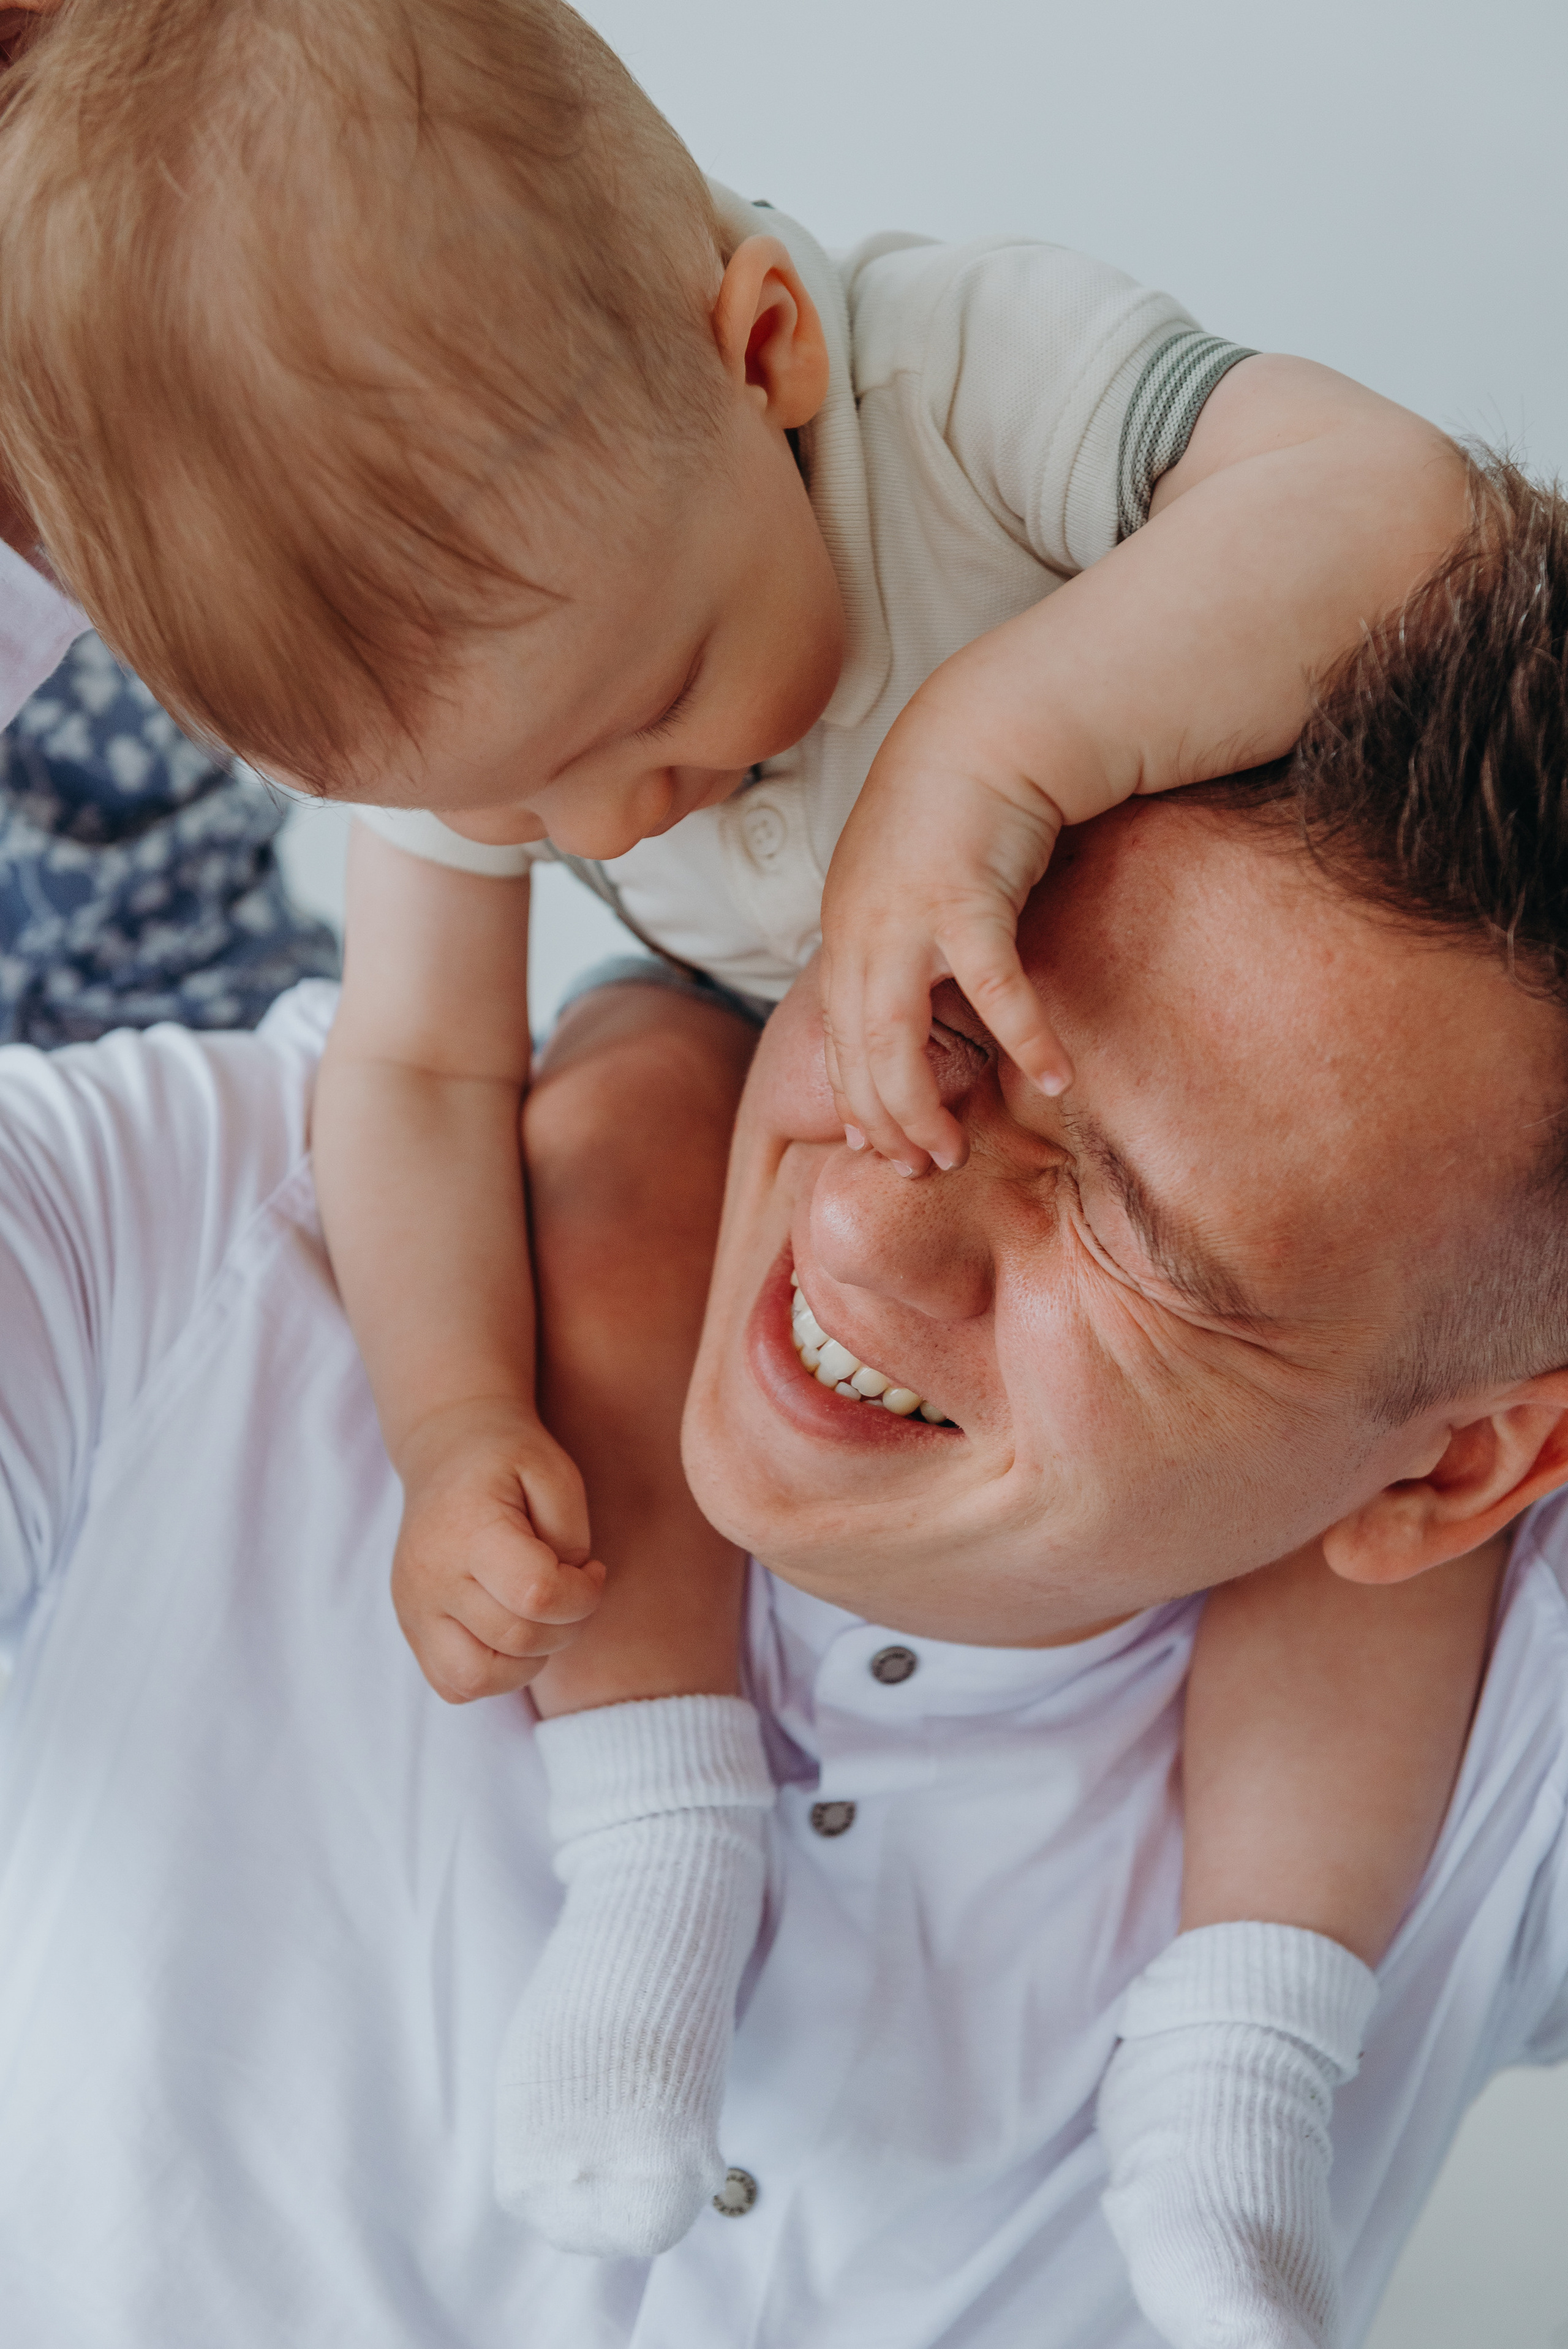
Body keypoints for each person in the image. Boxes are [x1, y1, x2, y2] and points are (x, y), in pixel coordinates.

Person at [0, 0, 1495, 2331]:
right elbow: (413, 1076)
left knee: (1357, 1494)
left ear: (762, 348)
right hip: (711, 1054)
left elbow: (1393, 506)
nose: (613, 825)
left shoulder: (958, 373)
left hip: (1204, 1149)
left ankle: (1239, 2059)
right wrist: (452, 1426)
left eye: (651, 713)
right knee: (593, 1135)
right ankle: (653, 1862)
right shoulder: (470, 679)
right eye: (512, 805)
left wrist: (977, 767)